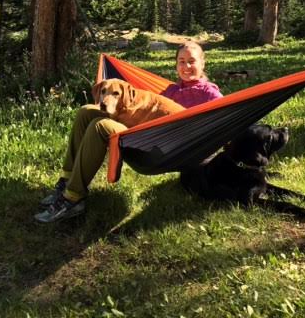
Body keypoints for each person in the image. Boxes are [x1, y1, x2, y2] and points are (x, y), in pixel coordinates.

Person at [35, 40, 223, 223]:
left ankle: (73, 198)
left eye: (192, 61)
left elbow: (224, 117)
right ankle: (65, 182)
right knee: (86, 111)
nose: (186, 66)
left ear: (203, 63)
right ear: (176, 65)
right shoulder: (171, 90)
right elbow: (145, 110)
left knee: (100, 125)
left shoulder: (210, 92)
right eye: (181, 61)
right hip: (145, 136)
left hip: (175, 148)